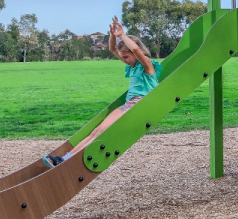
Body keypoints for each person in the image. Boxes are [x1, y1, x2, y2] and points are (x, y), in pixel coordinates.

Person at [42, 17, 161, 168]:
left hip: (139, 106)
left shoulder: (147, 66)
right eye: (122, 57)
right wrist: (112, 34)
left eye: (126, 56)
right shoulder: (131, 66)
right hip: (128, 105)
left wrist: (122, 35)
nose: (124, 60)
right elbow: (112, 49)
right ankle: (65, 158)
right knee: (97, 130)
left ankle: (66, 161)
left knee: (101, 132)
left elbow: (136, 50)